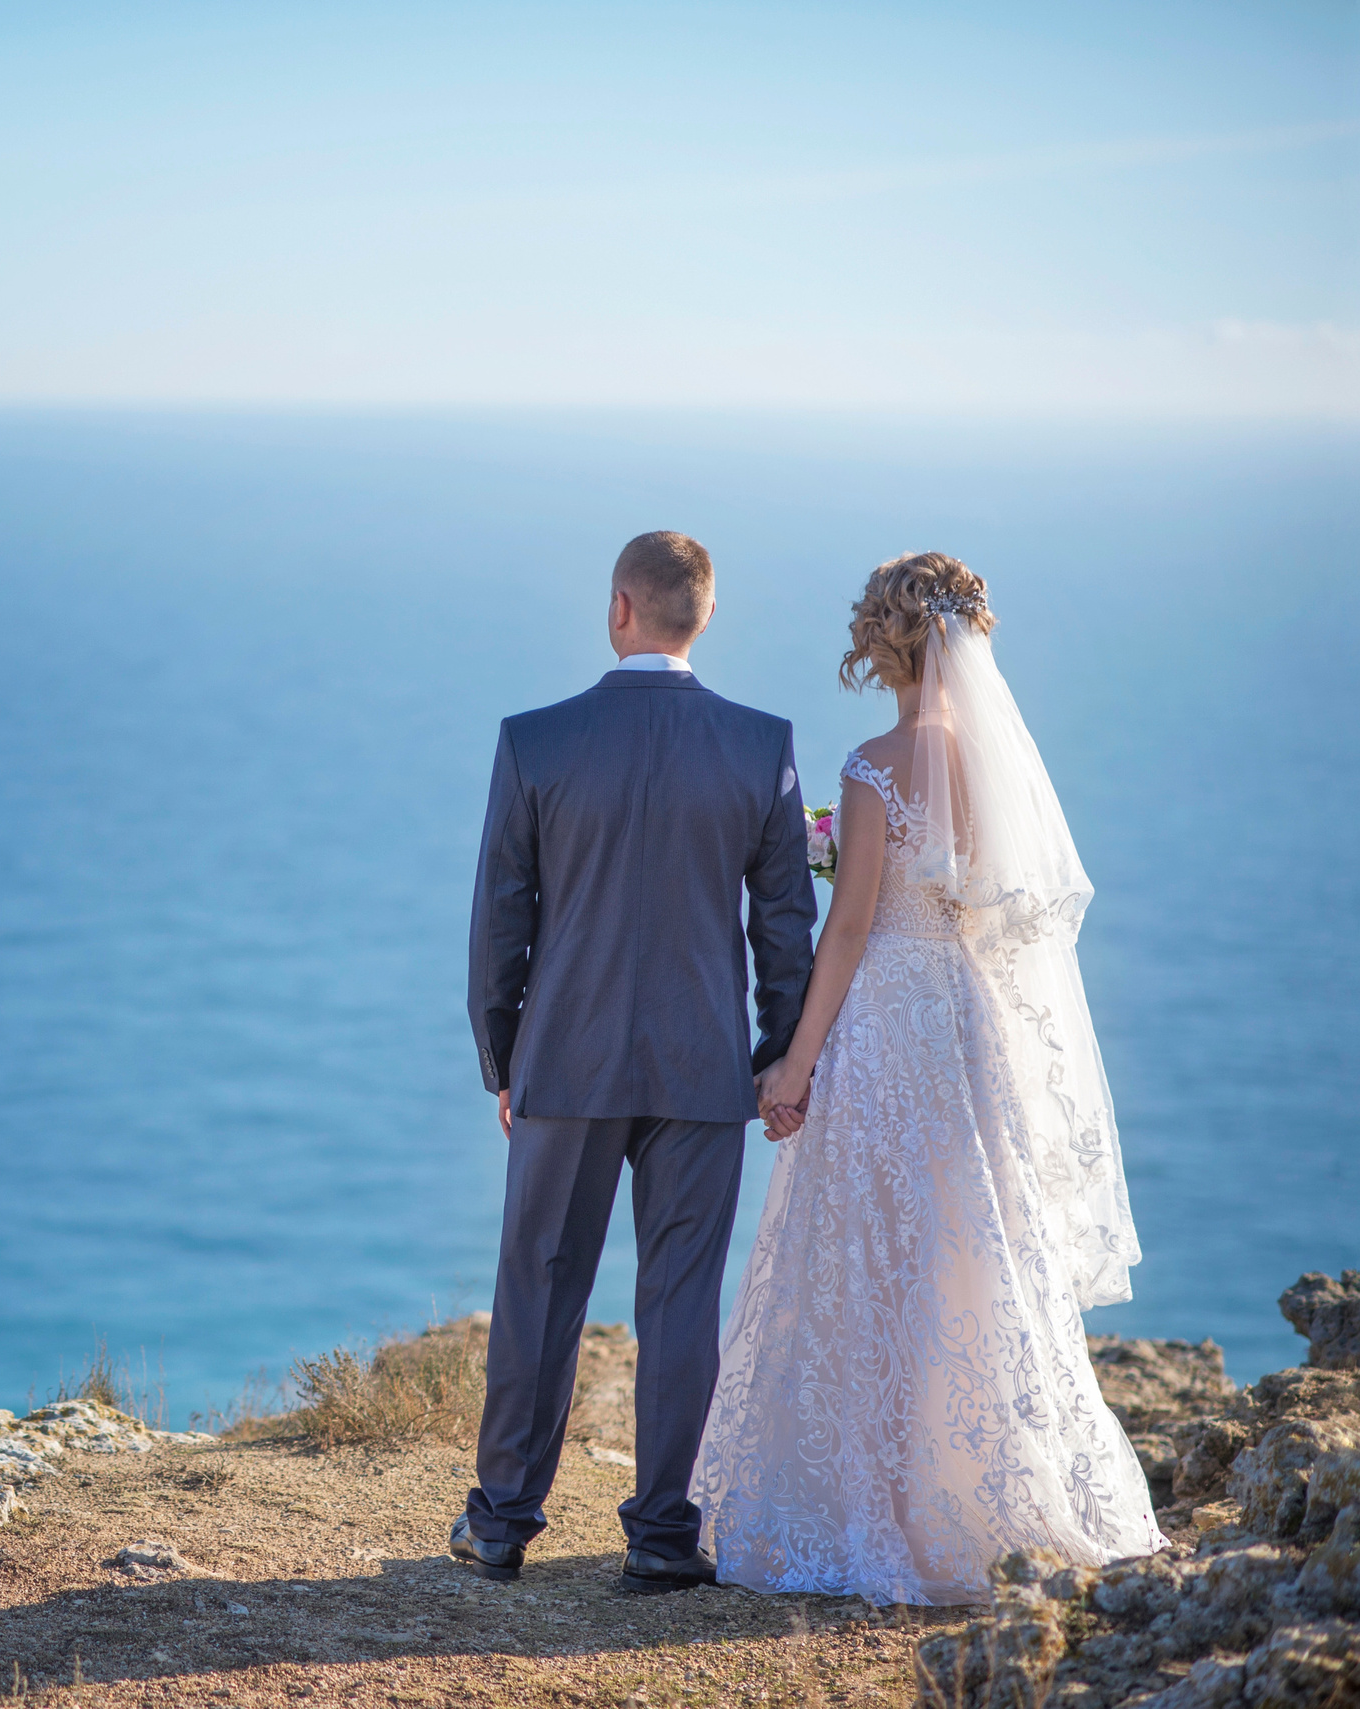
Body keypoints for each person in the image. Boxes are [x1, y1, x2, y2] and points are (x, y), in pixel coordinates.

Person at [689, 553, 1162, 1605]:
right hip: (968, 1025)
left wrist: (794, 1061)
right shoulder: (997, 771)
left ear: (880, 643)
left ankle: (872, 1502)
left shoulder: (872, 765)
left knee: (868, 1251)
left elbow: (849, 923)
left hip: (887, 1026)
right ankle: (984, 1492)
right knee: (968, 1245)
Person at [451, 531, 816, 1592]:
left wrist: (501, 1056)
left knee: (539, 1287)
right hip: (704, 1071)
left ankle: (502, 1521)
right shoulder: (760, 744)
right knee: (680, 1301)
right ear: (701, 616)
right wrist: (776, 1053)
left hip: (563, 1062)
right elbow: (783, 928)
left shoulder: (536, 741)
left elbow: (498, 925)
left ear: (620, 607)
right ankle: (662, 1533)